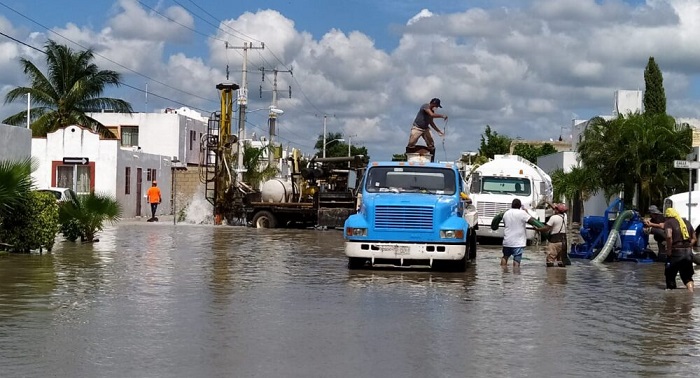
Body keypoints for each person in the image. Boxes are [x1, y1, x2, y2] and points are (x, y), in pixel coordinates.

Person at [501, 198, 546, 269]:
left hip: (507, 240)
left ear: (512, 205)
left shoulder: (506, 213)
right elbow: (532, 220)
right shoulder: (522, 213)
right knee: (516, 260)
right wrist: (527, 212)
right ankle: (516, 277)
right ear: (519, 206)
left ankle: (503, 273)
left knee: (505, 256)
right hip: (518, 242)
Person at [663, 207, 695, 292]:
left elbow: (669, 236)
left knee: (670, 276)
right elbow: (694, 238)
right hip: (688, 253)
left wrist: (669, 249)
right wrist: (688, 246)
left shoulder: (669, 223)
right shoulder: (686, 222)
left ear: (668, 216)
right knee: (687, 277)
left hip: (675, 253)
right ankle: (690, 295)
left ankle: (670, 300)